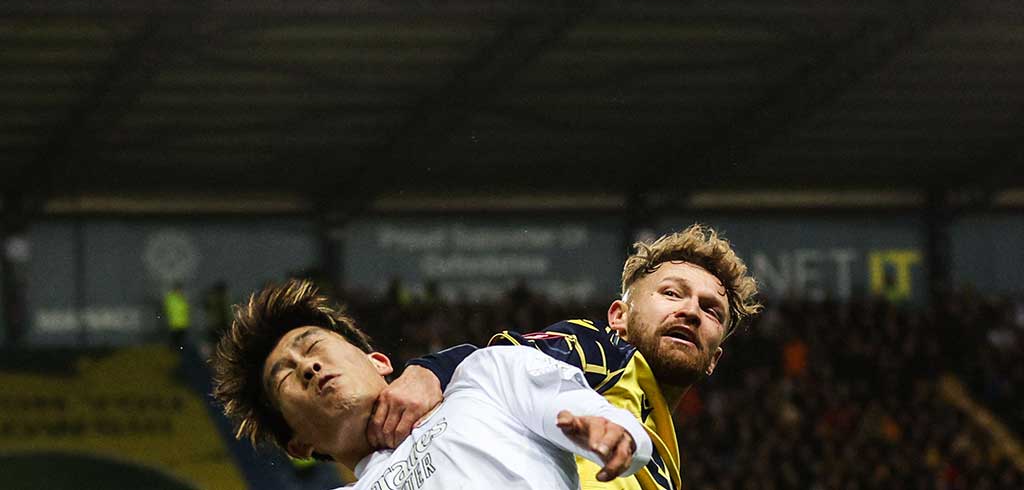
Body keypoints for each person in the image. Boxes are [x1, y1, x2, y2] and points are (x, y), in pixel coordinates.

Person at [370, 224, 762, 490]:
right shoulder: (604, 352)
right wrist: (431, 370)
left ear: (715, 358)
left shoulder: (665, 469)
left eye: (712, 310)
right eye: (672, 294)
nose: (692, 312)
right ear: (618, 318)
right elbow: (503, 364)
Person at [210, 280, 653, 489]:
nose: (307, 367)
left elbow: (607, 423)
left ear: (378, 361)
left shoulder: (486, 378)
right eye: (284, 375)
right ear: (298, 445)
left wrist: (617, 435)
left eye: (312, 346)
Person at [164, 282, 190, 350]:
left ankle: (179, 354)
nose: (180, 291)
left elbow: (185, 310)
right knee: (174, 342)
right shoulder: (171, 298)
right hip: (174, 324)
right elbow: (169, 309)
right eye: (179, 289)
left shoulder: (182, 298)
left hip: (183, 324)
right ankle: (173, 354)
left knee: (181, 343)